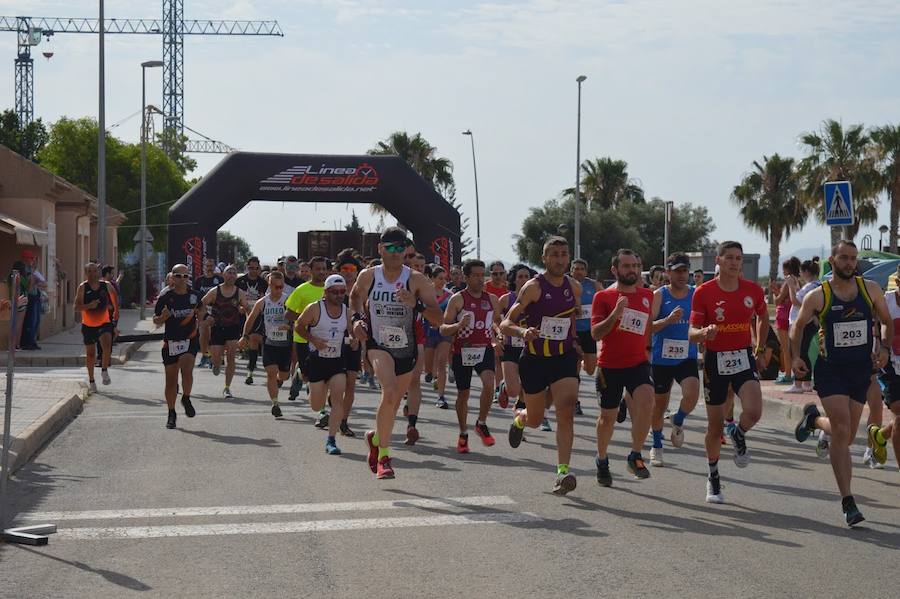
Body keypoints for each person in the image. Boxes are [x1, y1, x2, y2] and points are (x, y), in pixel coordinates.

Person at [792, 240, 892, 526]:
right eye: (844, 258)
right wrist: (797, 356)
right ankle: (848, 500)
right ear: (832, 261)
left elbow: (886, 320)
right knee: (843, 427)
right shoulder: (819, 295)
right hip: (830, 369)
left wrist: (883, 348)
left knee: (844, 436)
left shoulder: (869, 289)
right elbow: (797, 326)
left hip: (860, 369)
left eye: (853, 258)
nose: (849, 263)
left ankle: (812, 421)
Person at [349, 227, 442, 479]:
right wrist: (357, 320)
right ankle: (384, 458)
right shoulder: (369, 276)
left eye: (400, 248)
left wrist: (417, 304)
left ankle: (376, 438)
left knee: (390, 403)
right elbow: (355, 297)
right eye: (389, 247)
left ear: (407, 251)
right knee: (389, 392)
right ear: (380, 249)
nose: (395, 252)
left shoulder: (417, 280)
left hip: (407, 350)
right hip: (378, 345)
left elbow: (438, 318)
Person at [500, 236, 581, 495]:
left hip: (564, 358)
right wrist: (522, 333)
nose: (559, 259)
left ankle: (562, 472)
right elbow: (506, 324)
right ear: (544, 258)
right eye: (554, 254)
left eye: (563, 254)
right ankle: (521, 420)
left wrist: (578, 341)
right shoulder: (533, 288)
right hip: (535, 360)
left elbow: (573, 319)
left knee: (566, 412)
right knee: (535, 419)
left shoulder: (574, 287)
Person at [689, 241, 768, 504]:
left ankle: (738, 432)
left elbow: (762, 317)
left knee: (754, 411)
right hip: (715, 360)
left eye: (739, 258)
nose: (735, 262)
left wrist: (760, 347)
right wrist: (703, 333)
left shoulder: (753, 290)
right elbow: (691, 333)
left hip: (743, 356)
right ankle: (713, 477)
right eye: (730, 258)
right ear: (718, 262)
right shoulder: (703, 292)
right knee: (713, 427)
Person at [591, 249, 654, 485]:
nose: (633, 270)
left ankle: (635, 455)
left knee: (648, 401)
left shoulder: (647, 295)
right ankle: (602, 459)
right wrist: (616, 313)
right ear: (615, 270)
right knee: (607, 418)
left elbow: (646, 326)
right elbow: (596, 333)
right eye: (627, 266)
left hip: (637, 363)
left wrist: (647, 349)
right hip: (610, 366)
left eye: (636, 266)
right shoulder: (604, 298)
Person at [440, 259, 502, 453]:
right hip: (462, 351)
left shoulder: (491, 299)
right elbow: (443, 328)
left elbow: (496, 322)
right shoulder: (458, 299)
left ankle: (481, 423)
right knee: (463, 394)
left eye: (481, 275)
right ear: (466, 277)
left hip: (484, 349)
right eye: (475, 275)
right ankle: (463, 432)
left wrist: (498, 334)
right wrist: (458, 326)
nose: (479, 279)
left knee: (489, 384)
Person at [648, 253, 701, 466]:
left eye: (684, 271)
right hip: (662, 358)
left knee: (693, 394)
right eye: (677, 271)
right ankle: (657, 445)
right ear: (668, 272)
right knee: (660, 405)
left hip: (686, 356)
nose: (681, 275)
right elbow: (648, 326)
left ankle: (678, 418)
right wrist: (668, 320)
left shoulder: (696, 294)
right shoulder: (659, 295)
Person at [295, 274, 353, 455]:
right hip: (317, 360)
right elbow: (298, 326)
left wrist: (356, 341)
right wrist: (313, 339)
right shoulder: (314, 309)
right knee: (315, 405)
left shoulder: (347, 312)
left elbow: (351, 333)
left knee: (338, 399)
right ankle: (300, 375)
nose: (339, 295)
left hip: (337, 361)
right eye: (335, 292)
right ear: (326, 292)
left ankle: (331, 440)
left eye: (342, 292)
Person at [154, 263, 201, 429]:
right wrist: (162, 318)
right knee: (171, 380)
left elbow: (203, 314)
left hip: (190, 340)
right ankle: (171, 412)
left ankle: (186, 397)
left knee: (187, 371)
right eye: (179, 276)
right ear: (172, 278)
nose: (183, 279)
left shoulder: (195, 295)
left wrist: (207, 319)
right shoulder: (165, 298)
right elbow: (156, 321)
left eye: (186, 276)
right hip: (171, 342)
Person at [240, 270, 289, 419]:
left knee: (284, 376)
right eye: (276, 287)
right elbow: (250, 319)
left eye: (281, 287)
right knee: (271, 374)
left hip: (285, 344)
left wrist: (290, 326)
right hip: (269, 343)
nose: (279, 290)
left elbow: (298, 319)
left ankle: (280, 381)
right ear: (270, 285)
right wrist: (244, 336)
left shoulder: (288, 301)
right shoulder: (263, 302)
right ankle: (275, 404)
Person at [285, 256, 328, 409]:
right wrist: (306, 319)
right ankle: (298, 374)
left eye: (324, 268)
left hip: (325, 340)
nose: (321, 271)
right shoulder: (302, 289)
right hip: (303, 339)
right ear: (310, 270)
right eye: (318, 268)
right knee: (308, 376)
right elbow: (288, 314)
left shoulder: (329, 289)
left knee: (320, 377)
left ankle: (321, 411)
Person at [200, 265, 248, 398]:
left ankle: (227, 387)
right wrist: (205, 317)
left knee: (231, 358)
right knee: (217, 359)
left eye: (234, 273)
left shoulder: (239, 292)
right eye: (229, 272)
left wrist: (247, 324)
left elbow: (248, 308)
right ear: (223, 275)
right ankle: (214, 363)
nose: (231, 275)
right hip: (217, 328)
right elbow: (201, 304)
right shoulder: (215, 291)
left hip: (233, 328)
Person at [73, 262, 118, 393]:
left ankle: (104, 370)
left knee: (107, 346)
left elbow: (114, 295)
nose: (93, 274)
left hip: (104, 322)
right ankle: (92, 380)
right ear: (86, 274)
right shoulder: (82, 287)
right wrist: (89, 306)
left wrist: (116, 310)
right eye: (90, 272)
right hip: (88, 325)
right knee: (90, 355)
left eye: (95, 271)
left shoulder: (106, 285)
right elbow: (76, 307)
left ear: (98, 272)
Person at [497, 264, 535, 412]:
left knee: (528, 386)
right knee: (513, 390)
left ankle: (520, 408)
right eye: (520, 276)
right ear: (514, 279)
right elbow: (495, 319)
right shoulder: (506, 299)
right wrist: (499, 333)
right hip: (510, 346)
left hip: (530, 346)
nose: (524, 279)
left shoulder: (536, 299)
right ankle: (505, 387)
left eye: (527, 276)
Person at [336, 253, 363, 436]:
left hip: (354, 342)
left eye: (352, 270)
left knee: (350, 384)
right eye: (344, 269)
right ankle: (329, 411)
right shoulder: (332, 290)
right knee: (336, 385)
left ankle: (343, 421)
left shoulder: (361, 292)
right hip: (333, 342)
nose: (348, 273)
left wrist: (358, 339)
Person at [786, 257, 821, 394]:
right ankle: (805, 382)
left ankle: (799, 383)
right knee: (803, 351)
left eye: (801, 272)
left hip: (802, 322)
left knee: (797, 352)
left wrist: (790, 286)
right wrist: (796, 287)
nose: (800, 274)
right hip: (809, 322)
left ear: (806, 272)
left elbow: (796, 301)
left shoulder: (810, 287)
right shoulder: (817, 285)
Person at [571, 258, 598, 415]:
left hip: (589, 332)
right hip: (573, 332)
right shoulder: (566, 284)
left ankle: (582, 362)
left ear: (586, 272)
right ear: (571, 270)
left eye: (582, 268)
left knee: (590, 369)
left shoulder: (593, 286)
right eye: (576, 268)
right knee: (574, 372)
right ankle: (575, 402)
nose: (579, 271)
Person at [423, 266, 453, 410]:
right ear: (433, 278)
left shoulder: (449, 295)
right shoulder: (425, 293)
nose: (443, 281)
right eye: (440, 278)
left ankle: (441, 396)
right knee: (428, 368)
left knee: (442, 363)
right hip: (428, 332)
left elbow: (452, 313)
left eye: (444, 278)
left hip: (443, 333)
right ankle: (431, 374)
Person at [236, 257, 269, 385]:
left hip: (258, 315)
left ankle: (250, 371)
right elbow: (233, 298)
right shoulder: (240, 281)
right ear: (247, 267)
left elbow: (267, 299)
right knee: (248, 341)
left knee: (255, 339)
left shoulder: (263, 283)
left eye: (256, 268)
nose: (254, 271)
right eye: (251, 268)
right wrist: (238, 306)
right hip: (242, 314)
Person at [772, 257, 801, 385]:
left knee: (785, 348)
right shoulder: (797, 280)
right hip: (791, 316)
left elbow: (778, 300)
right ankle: (792, 373)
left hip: (783, 316)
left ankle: (788, 374)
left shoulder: (788, 281)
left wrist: (773, 292)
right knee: (792, 347)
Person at [194, 259, 223, 368]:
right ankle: (205, 355)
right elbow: (196, 296)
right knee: (203, 334)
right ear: (204, 267)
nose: (209, 268)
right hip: (203, 309)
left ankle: (213, 357)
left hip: (217, 310)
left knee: (212, 334)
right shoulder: (199, 280)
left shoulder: (219, 279)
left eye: (211, 266)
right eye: (207, 266)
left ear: (214, 267)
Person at [21, 249, 47, 350]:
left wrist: (36, 282)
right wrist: (35, 281)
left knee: (36, 321)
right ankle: (28, 342)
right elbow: (29, 286)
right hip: (29, 297)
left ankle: (32, 341)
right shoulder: (25, 270)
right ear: (25, 259)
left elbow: (44, 283)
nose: (33, 260)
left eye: (34, 259)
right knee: (30, 321)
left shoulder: (34, 270)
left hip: (36, 297)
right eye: (31, 258)